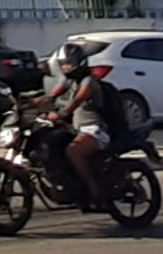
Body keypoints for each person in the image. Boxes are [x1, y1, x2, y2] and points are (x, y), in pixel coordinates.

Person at [39, 43, 108, 210]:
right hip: (77, 129)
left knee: (73, 151)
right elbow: (50, 96)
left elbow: (77, 101)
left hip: (95, 130)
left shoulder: (88, 81)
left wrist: (60, 114)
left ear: (80, 62)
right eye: (63, 64)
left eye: (69, 63)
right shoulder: (69, 82)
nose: (66, 67)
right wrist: (25, 105)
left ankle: (94, 191)